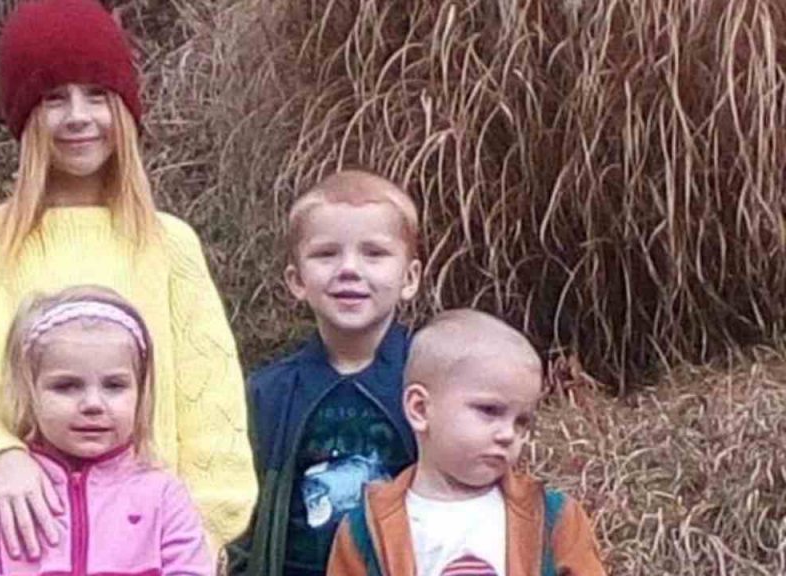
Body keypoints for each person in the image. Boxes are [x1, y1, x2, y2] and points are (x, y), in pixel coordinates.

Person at [0, 0, 254, 559]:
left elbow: (211, 405)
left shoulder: (168, 245)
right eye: (54, 98)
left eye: (97, 94)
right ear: (25, 116)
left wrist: (201, 535)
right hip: (24, 549)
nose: (78, 116)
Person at [227, 170, 423, 574]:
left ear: (410, 278)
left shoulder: (433, 381)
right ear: (297, 280)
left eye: (374, 253)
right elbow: (246, 517)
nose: (349, 269)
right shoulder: (270, 393)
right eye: (326, 254)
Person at [0, 286, 212, 575]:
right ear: (29, 393)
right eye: (66, 386)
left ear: (141, 394)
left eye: (114, 386)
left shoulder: (164, 496)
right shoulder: (0, 497)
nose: (93, 404)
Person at [327, 309, 606, 575]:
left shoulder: (554, 517)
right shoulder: (366, 529)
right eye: (489, 410)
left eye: (521, 421)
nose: (508, 434)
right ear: (420, 409)